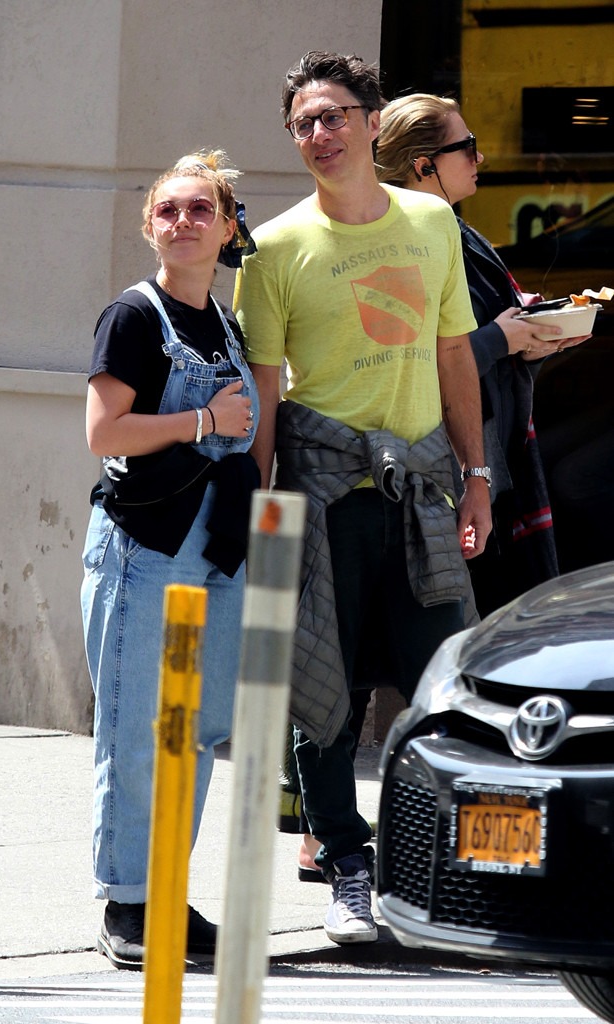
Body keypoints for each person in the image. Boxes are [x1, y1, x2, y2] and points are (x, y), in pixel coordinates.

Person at [234, 51, 492, 945]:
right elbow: (266, 395)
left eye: (336, 115)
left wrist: (478, 477)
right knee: (325, 691)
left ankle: (434, 872)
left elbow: (455, 353)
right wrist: (260, 516)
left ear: (372, 123)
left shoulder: (430, 222)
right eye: (304, 121)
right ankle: (347, 862)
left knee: (439, 686)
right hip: (323, 487)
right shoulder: (271, 250)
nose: (321, 134)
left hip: (423, 485)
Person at [80, 150, 260, 970]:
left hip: (213, 552)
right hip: (145, 550)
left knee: (191, 729)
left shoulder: (226, 325)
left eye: (201, 210)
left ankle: (163, 889)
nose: (183, 222)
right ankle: (126, 903)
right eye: (168, 211)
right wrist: (199, 425)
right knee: (135, 728)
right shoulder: (133, 316)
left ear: (227, 229)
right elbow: (105, 434)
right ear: (150, 226)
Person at [376, 94, 592, 616]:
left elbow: (488, 340)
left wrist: (534, 340)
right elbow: (413, 367)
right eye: (467, 148)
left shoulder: (460, 234)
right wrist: (503, 340)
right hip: (437, 478)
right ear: (424, 166)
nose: (480, 159)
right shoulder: (398, 245)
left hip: (490, 466)